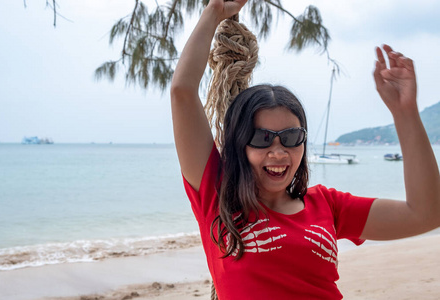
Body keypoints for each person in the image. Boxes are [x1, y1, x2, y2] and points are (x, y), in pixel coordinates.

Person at [170, 0, 440, 299]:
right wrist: (214, 12)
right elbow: (182, 92)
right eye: (262, 138)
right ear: (240, 144)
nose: (278, 151)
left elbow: (426, 214)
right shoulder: (216, 198)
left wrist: (405, 112)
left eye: (291, 137)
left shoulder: (327, 205)